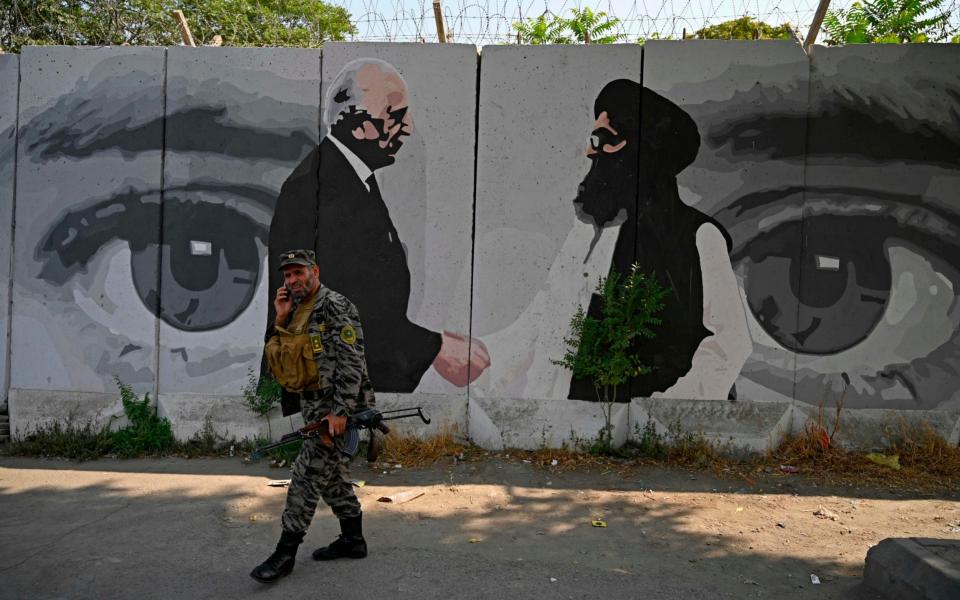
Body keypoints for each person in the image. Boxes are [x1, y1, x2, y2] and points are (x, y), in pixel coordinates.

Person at [268, 58, 487, 411]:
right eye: (396, 115)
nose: (408, 128)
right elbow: (340, 300)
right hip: (325, 391)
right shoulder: (320, 189)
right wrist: (434, 348)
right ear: (358, 125)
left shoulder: (350, 177)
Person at [250, 249, 371, 584]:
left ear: (314, 270)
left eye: (298, 273)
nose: (292, 280)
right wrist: (280, 317)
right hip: (313, 406)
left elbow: (352, 362)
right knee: (330, 476)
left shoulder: (334, 305)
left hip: (333, 409)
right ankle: (353, 539)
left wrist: (341, 411)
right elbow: (278, 354)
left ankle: (284, 554)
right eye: (287, 276)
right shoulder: (297, 310)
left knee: (305, 476)